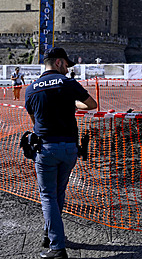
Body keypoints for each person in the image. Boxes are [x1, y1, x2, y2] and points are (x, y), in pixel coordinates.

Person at [25, 47, 97, 259]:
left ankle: (56, 247)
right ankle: (50, 233)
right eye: (66, 64)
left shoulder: (31, 89)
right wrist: (71, 104)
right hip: (69, 148)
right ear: (58, 62)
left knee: (47, 196)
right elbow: (91, 105)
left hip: (46, 148)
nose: (67, 69)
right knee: (58, 193)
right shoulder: (68, 83)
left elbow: (34, 120)